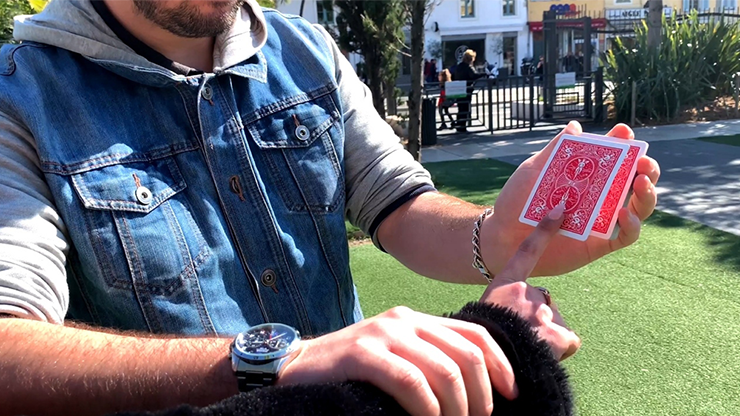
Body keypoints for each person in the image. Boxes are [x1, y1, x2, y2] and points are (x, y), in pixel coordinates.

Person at [0, 1, 661, 416]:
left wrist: (498, 232)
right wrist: (275, 361)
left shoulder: (308, 52)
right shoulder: (20, 97)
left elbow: (400, 204)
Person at [452, 49, 487, 133]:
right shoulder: (468, 67)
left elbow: (453, 76)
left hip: (459, 89)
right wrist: (484, 74)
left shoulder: (459, 66)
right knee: (465, 108)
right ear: (471, 59)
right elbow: (473, 75)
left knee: (460, 108)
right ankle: (463, 127)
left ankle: (459, 125)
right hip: (467, 89)